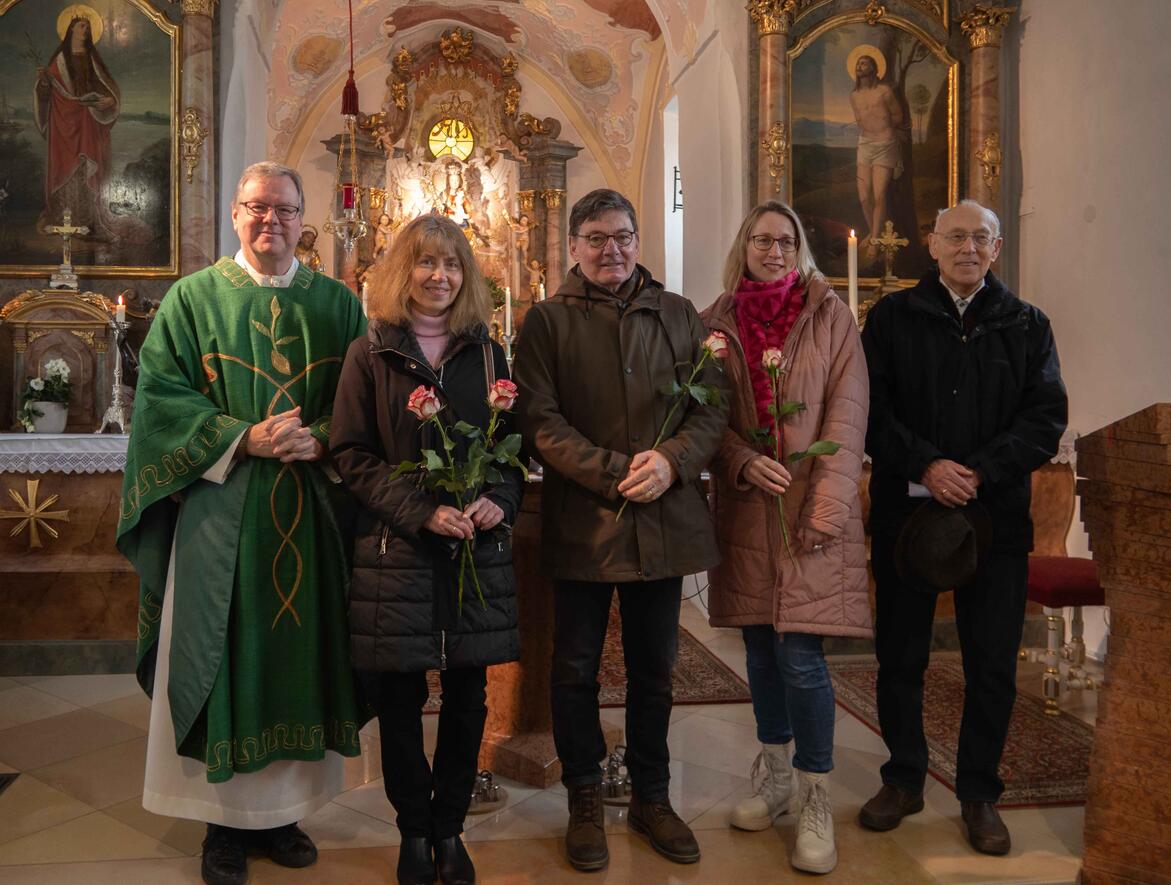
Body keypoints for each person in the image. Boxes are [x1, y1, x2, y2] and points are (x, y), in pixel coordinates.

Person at [118, 162, 367, 885]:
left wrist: (320, 436)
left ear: (303, 220)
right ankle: (220, 829)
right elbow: (161, 402)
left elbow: (362, 400)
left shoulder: (338, 305)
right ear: (235, 215)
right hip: (220, 518)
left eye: (285, 210)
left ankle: (283, 816)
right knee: (223, 660)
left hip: (310, 514)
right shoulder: (192, 300)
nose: (271, 222)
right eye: (257, 208)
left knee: (297, 663)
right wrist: (242, 437)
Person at [513, 188, 727, 872]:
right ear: (574, 246)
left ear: (640, 241)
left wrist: (672, 461)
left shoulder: (679, 313)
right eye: (599, 238)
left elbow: (711, 407)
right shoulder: (545, 321)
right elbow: (540, 422)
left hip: (663, 517)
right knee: (574, 668)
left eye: (625, 237)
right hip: (585, 519)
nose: (614, 250)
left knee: (655, 670)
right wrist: (614, 472)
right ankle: (583, 794)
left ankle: (652, 794)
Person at [858, 199, 1067, 855]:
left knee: (992, 664)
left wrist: (975, 472)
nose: (968, 247)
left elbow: (1044, 418)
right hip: (907, 514)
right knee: (901, 656)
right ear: (932, 243)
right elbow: (868, 408)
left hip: (993, 520)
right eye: (955, 236)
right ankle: (904, 777)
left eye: (981, 237)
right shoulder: (892, 318)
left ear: (997, 249)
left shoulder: (1028, 324)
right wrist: (926, 462)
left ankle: (979, 792)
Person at [330, 214, 521, 885]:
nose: (439, 276)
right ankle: (414, 830)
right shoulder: (371, 353)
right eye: (425, 262)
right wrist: (420, 510)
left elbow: (512, 453)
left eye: (451, 264)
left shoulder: (491, 355)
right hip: (398, 551)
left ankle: (451, 829)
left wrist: (499, 497)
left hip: (474, 549)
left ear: (466, 275)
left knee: (469, 697)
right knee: (401, 695)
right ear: (401, 270)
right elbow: (350, 453)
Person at [701, 200, 870, 875]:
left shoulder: (830, 317)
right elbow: (705, 417)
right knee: (761, 653)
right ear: (743, 246)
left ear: (800, 248)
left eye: (785, 239)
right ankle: (773, 777)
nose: (773, 249)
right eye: (761, 239)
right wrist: (741, 459)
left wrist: (827, 507)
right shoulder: (715, 321)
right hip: (748, 510)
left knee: (800, 656)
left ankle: (814, 794)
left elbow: (848, 414)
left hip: (808, 512)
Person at [34, 13, 119, 234]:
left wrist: (110, 99)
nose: (86, 31)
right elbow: (47, 93)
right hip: (63, 122)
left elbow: (107, 86)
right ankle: (62, 223)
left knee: (87, 167)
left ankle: (90, 221)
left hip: (88, 120)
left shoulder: (92, 58)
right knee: (66, 168)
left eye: (88, 28)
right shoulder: (59, 60)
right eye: (82, 26)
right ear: (71, 29)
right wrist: (43, 82)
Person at [849, 52, 904, 258]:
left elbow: (897, 115)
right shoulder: (853, 96)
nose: (860, 66)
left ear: (874, 68)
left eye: (864, 63)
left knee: (879, 194)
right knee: (864, 197)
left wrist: (884, 129)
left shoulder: (885, 91)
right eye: (858, 63)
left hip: (884, 144)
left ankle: (874, 239)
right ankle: (874, 233)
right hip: (865, 144)